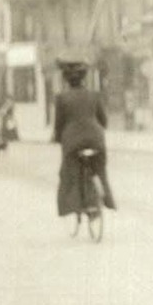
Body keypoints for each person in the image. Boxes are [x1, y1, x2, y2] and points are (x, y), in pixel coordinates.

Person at [53, 55, 117, 215]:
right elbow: (103, 121)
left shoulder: (61, 98)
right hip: (96, 139)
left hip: (72, 142)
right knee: (100, 171)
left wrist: (56, 137)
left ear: (67, 80)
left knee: (69, 173)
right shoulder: (95, 95)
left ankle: (76, 206)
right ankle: (106, 199)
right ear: (84, 79)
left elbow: (58, 125)